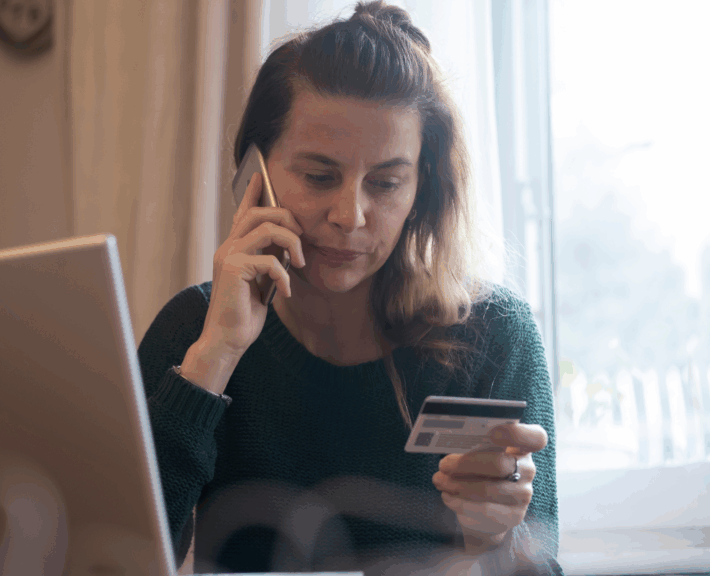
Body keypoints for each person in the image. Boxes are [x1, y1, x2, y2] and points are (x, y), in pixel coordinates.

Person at [137, 1, 559, 574]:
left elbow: (540, 569)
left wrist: (497, 543)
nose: (350, 215)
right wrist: (215, 357)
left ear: (422, 190)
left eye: (385, 183)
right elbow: (116, 555)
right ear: (253, 175)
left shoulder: (493, 336)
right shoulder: (193, 331)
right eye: (318, 176)